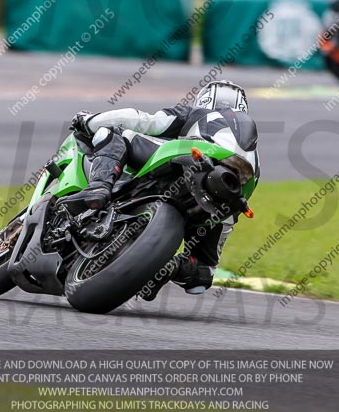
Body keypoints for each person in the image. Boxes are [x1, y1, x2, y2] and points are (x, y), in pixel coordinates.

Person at [60, 80, 259, 300]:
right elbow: (201, 281)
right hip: (228, 197)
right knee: (203, 270)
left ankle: (99, 186)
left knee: (111, 133)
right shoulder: (251, 155)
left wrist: (90, 121)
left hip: (189, 160)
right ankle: (168, 267)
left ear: (205, 99)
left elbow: (144, 121)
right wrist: (169, 266)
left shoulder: (197, 113)